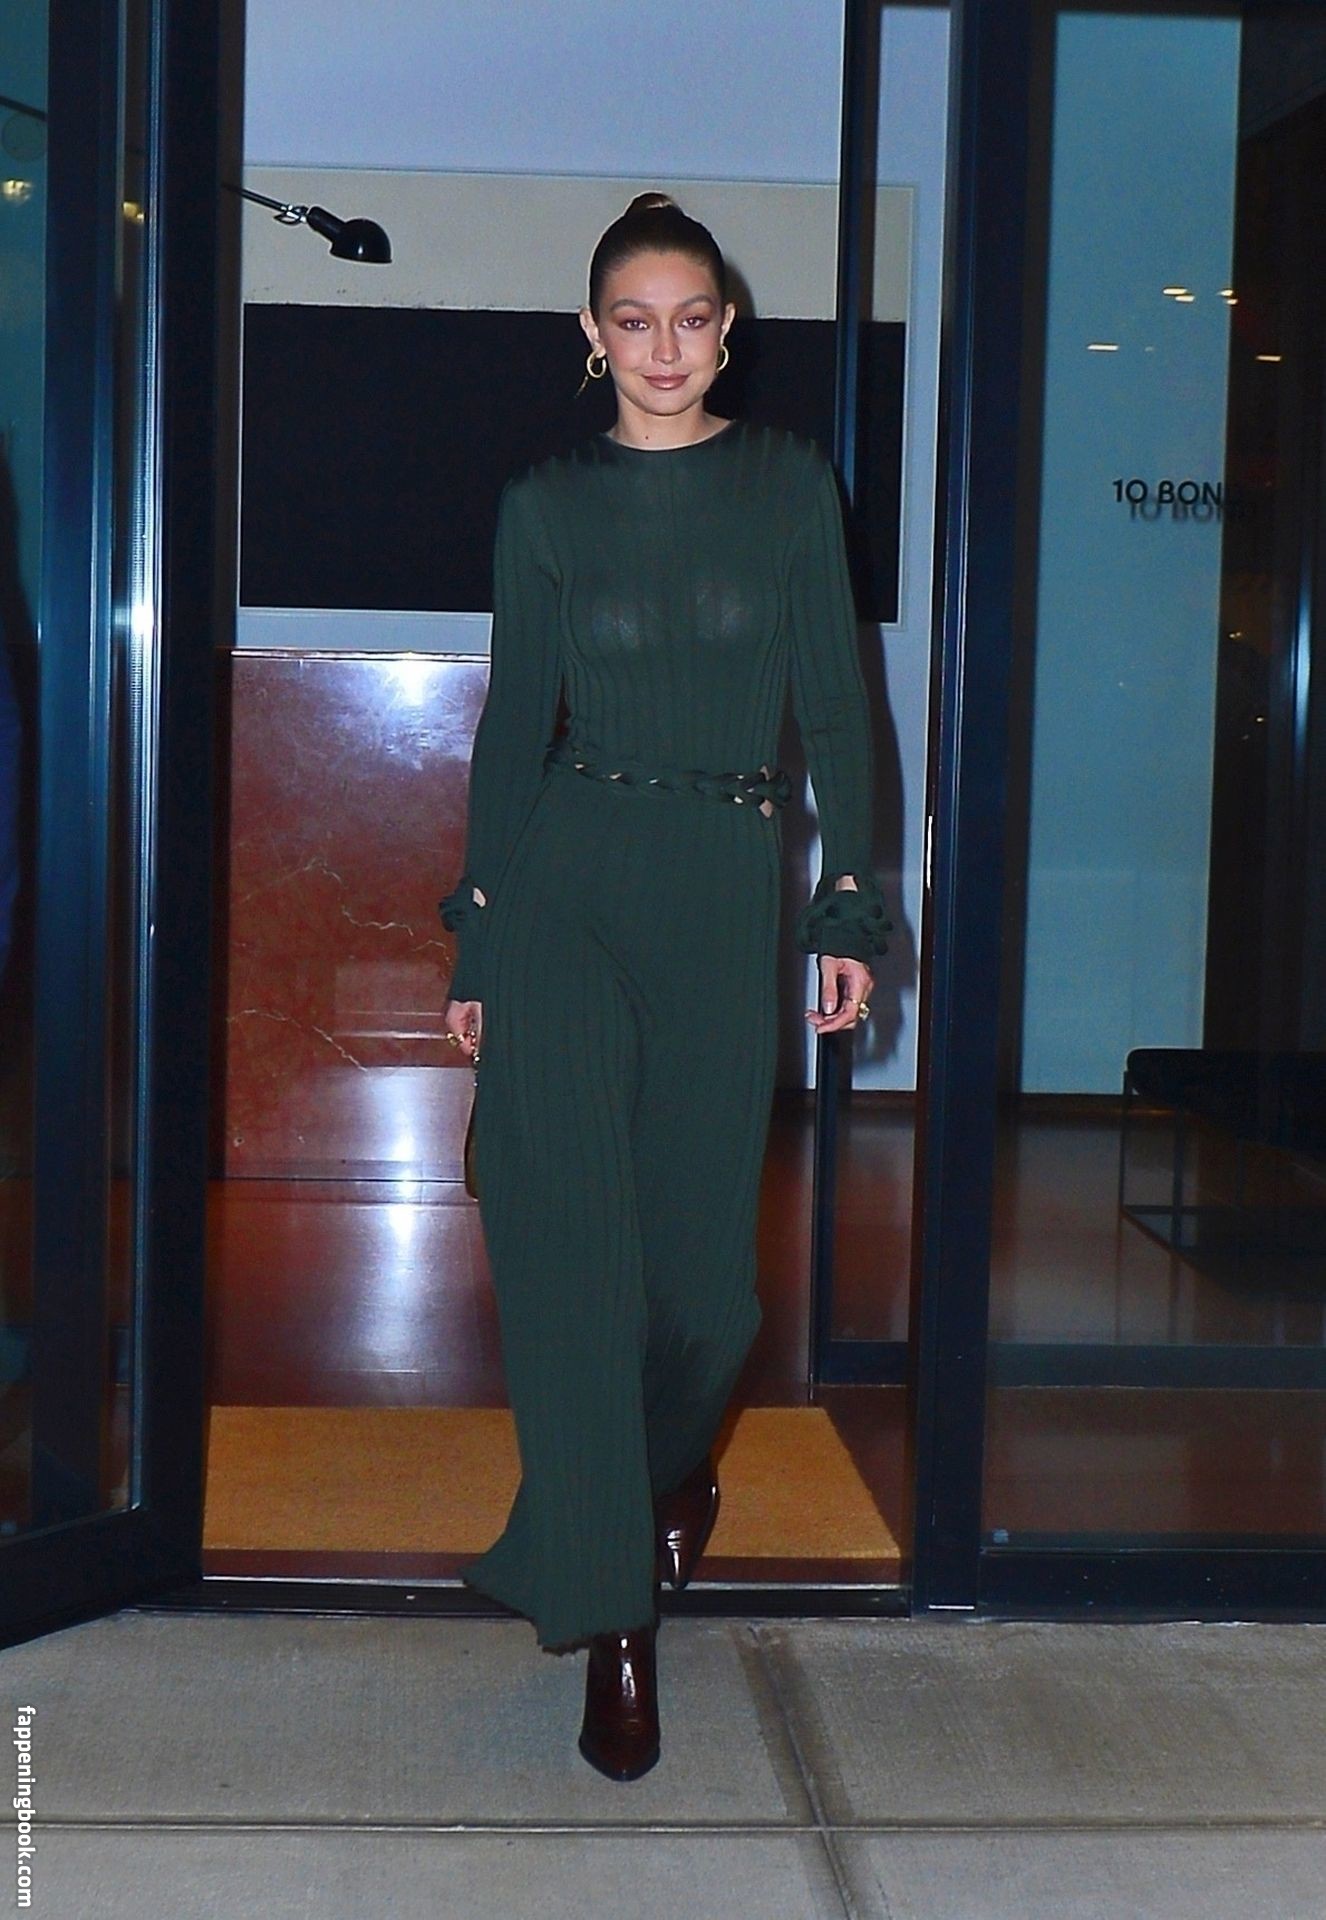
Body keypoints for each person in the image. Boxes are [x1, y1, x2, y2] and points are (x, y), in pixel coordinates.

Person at [438, 192, 890, 1782]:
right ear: (591, 336)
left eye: (690, 318)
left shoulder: (786, 485)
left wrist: (848, 903)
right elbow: (514, 726)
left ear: (726, 330)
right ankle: (610, 1618)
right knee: (568, 1265)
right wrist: (478, 941)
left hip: (718, 884)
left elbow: (837, 706)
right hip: (564, 889)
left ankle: (653, 1478)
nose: (663, 347)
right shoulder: (546, 503)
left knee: (708, 1295)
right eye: (632, 321)